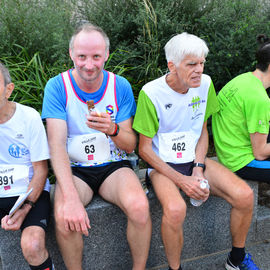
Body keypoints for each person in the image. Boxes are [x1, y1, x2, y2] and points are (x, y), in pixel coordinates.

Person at [133, 32, 260, 270]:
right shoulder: (151, 93)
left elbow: (202, 130)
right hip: (163, 166)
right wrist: (182, 180)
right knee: (175, 209)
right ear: (172, 65)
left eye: (201, 63)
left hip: (195, 160)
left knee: (244, 195)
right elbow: (145, 150)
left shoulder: (206, 84)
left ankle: (236, 260)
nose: (199, 69)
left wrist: (199, 169)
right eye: (191, 64)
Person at [42, 23, 151, 270]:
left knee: (139, 206)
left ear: (106, 56)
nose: (89, 65)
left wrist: (111, 129)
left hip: (113, 166)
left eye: (96, 57)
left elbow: (130, 145)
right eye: (82, 56)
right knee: (63, 215)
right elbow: (56, 145)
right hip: (76, 170)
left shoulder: (119, 86)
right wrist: (68, 197)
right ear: (71, 54)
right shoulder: (57, 87)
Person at [0, 62, 54, 270]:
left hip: (29, 191)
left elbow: (41, 170)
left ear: (8, 89)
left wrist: (26, 207)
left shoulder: (28, 117)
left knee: (32, 245)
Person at [212, 34, 270, 183]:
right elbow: (260, 153)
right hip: (240, 161)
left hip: (227, 147)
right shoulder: (259, 99)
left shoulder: (243, 79)